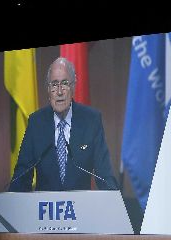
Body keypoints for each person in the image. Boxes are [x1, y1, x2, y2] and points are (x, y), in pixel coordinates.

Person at [9, 57, 118, 192]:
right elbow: (21, 179)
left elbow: (105, 175)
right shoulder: (36, 123)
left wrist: (113, 200)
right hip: (46, 209)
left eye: (65, 83)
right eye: (54, 84)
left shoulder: (91, 120)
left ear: (73, 87)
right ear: (48, 90)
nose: (59, 92)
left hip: (81, 208)